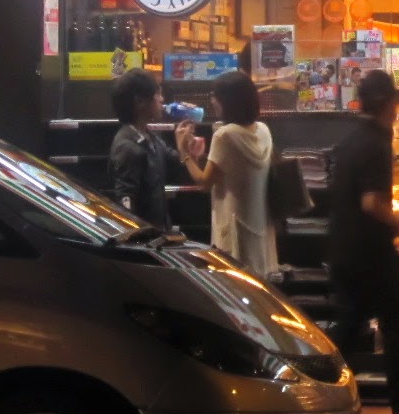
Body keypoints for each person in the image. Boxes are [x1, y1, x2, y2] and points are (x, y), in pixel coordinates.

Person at [327, 70, 399, 414]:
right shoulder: (376, 143)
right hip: (372, 251)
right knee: (396, 324)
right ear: (390, 103)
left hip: (343, 246)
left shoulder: (349, 140)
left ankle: (322, 389)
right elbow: (371, 203)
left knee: (349, 326)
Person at [176, 69, 277, 278]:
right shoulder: (263, 130)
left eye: (215, 96)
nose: (212, 101)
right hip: (259, 226)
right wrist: (197, 157)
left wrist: (184, 153)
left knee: (234, 285)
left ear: (228, 101)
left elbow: (204, 183)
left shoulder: (224, 135)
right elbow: (230, 171)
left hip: (234, 229)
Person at [108, 68, 182, 229]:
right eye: (157, 95)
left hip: (159, 234)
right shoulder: (127, 147)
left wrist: (188, 149)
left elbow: (175, 161)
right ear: (140, 102)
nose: (162, 99)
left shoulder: (150, 138)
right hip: (146, 239)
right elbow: (126, 205)